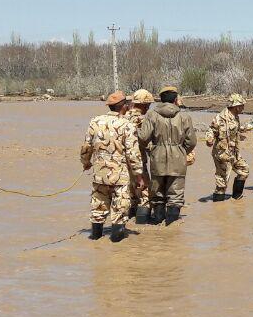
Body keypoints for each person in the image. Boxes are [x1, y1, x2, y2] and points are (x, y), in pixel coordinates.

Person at [81, 90, 143, 242]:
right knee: (120, 211)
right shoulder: (127, 125)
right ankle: (116, 246)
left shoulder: (94, 122)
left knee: (98, 209)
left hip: (99, 174)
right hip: (119, 177)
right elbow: (133, 154)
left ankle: (95, 240)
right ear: (124, 107)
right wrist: (139, 176)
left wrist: (86, 163)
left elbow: (86, 147)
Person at [137, 85, 197, 224]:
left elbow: (144, 137)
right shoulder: (184, 116)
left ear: (161, 100)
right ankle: (171, 228)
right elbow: (192, 141)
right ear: (176, 100)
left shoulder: (152, 115)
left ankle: (158, 222)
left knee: (157, 194)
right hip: (178, 159)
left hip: (157, 158)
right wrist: (182, 152)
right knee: (175, 195)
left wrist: (152, 149)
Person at [207, 93, 249, 201]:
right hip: (222, 153)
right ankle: (219, 207)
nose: (243, 107)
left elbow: (235, 129)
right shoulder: (220, 117)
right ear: (236, 106)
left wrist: (246, 128)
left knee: (244, 169)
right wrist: (209, 139)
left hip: (234, 153)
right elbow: (211, 130)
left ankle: (236, 197)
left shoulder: (235, 116)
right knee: (222, 182)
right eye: (241, 105)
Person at [126, 88, 154, 222]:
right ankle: (142, 223)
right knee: (144, 193)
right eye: (148, 105)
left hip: (122, 163)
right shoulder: (143, 119)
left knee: (130, 192)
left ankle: (129, 216)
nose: (149, 107)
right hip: (138, 161)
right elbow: (146, 141)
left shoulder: (122, 116)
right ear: (145, 104)